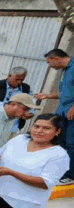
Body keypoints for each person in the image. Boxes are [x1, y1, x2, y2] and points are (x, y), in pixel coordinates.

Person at [34, 49, 74, 185]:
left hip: (71, 112)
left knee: (71, 143)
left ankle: (70, 175)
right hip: (62, 111)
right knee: (60, 141)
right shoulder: (65, 70)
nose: (49, 65)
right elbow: (66, 93)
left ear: (56, 58)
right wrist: (47, 96)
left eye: (49, 62)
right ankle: (60, 170)